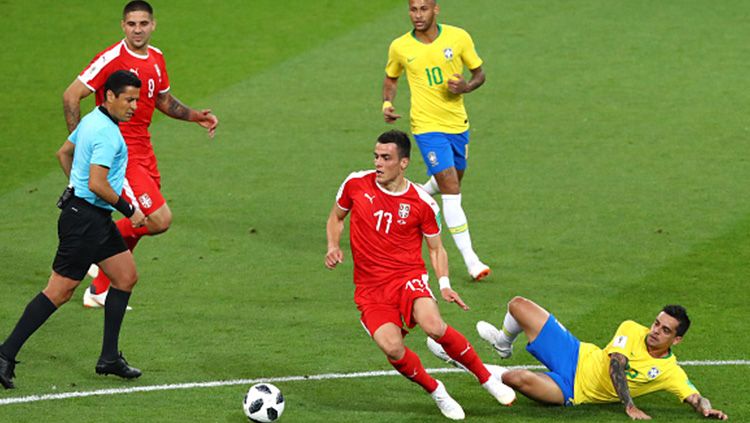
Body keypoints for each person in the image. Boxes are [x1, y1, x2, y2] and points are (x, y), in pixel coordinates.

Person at [324, 129, 514, 420]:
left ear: (403, 163)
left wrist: (445, 284)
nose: (378, 163)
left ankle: (486, 378)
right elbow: (336, 217)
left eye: (386, 158)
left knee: (434, 325)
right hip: (370, 288)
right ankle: (436, 390)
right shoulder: (355, 184)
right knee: (393, 348)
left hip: (407, 277)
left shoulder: (422, 202)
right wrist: (333, 246)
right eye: (376, 156)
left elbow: (436, 249)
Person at [62, 0, 219, 308]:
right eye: (131, 24)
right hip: (120, 155)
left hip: (145, 151)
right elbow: (71, 95)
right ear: (123, 26)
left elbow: (162, 99)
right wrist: (80, 143)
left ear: (153, 25)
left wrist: (194, 116)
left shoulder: (157, 58)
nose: (137, 29)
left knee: (143, 221)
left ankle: (100, 289)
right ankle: (96, 245)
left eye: (143, 23)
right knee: (157, 220)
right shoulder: (111, 58)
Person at [0, 71, 147, 389]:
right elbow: (98, 182)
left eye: (136, 99)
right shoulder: (107, 134)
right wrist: (129, 210)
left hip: (89, 216)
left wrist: (75, 186)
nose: (134, 106)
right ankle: (4, 354)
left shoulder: (93, 119)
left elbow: (63, 153)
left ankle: (109, 358)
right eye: (129, 99)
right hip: (85, 222)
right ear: (109, 96)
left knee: (125, 276)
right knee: (59, 291)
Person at [427, 296, 729, 420]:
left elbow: (694, 396)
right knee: (518, 305)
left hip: (573, 391)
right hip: (574, 352)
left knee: (515, 378)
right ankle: (504, 344)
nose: (655, 332)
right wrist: (628, 405)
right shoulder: (631, 329)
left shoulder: (670, 372)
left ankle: (458, 358)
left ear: (677, 340)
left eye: (665, 331)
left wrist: (707, 409)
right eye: (656, 324)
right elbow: (616, 364)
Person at [382, 0, 489, 281]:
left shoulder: (459, 37)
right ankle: (472, 261)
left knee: (453, 179)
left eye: (423, 9)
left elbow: (479, 74)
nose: (418, 15)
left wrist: (465, 86)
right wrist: (386, 103)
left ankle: (415, 194)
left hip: (457, 124)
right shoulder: (400, 46)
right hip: (426, 127)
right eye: (413, 9)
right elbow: (391, 77)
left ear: (435, 9)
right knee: (451, 189)